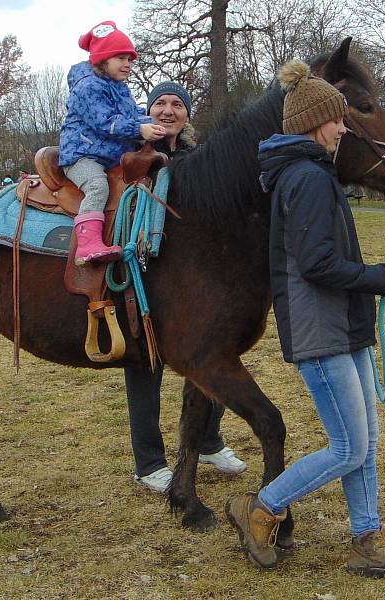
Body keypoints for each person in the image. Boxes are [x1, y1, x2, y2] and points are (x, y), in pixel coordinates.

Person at [224, 59, 385, 577]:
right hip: (324, 332)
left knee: (365, 443)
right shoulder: (307, 178)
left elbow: (322, 257)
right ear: (315, 123)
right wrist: (384, 277)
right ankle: (261, 506)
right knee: (348, 446)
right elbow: (317, 265)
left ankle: (367, 536)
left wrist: (375, 278)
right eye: (337, 119)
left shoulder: (310, 174)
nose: (343, 127)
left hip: (342, 324)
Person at [127, 81, 247, 494]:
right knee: (146, 364)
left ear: (187, 115)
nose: (167, 110)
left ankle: (209, 440)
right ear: (148, 111)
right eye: (160, 102)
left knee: (210, 356)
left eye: (177, 104)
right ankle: (148, 462)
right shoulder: (130, 154)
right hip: (142, 275)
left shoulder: (201, 158)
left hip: (193, 280)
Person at [59, 20, 165, 266]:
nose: (128, 64)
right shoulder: (88, 88)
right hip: (82, 155)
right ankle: (87, 244)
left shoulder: (120, 88)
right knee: (97, 186)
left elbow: (131, 113)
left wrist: (153, 121)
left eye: (130, 59)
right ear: (102, 60)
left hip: (106, 155)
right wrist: (140, 129)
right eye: (121, 58)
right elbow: (106, 122)